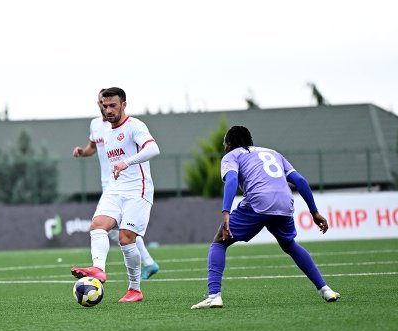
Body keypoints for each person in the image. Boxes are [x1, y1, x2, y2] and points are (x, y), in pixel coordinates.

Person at [191, 126, 340, 309]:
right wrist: (314, 212)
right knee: (289, 244)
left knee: (220, 242)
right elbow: (300, 180)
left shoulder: (231, 156)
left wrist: (226, 211)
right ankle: (325, 289)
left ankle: (214, 296)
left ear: (229, 144)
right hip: (285, 202)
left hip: (258, 201)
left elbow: (232, 179)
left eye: (224, 144)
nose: (224, 148)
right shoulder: (273, 153)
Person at [71, 87, 160, 302]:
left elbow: (153, 149)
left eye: (113, 105)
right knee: (97, 226)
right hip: (115, 189)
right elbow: (95, 149)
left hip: (138, 190)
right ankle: (98, 269)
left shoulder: (135, 126)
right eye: (105, 106)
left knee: (126, 239)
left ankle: (135, 290)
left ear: (123, 105)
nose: (108, 110)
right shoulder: (106, 132)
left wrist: (126, 162)